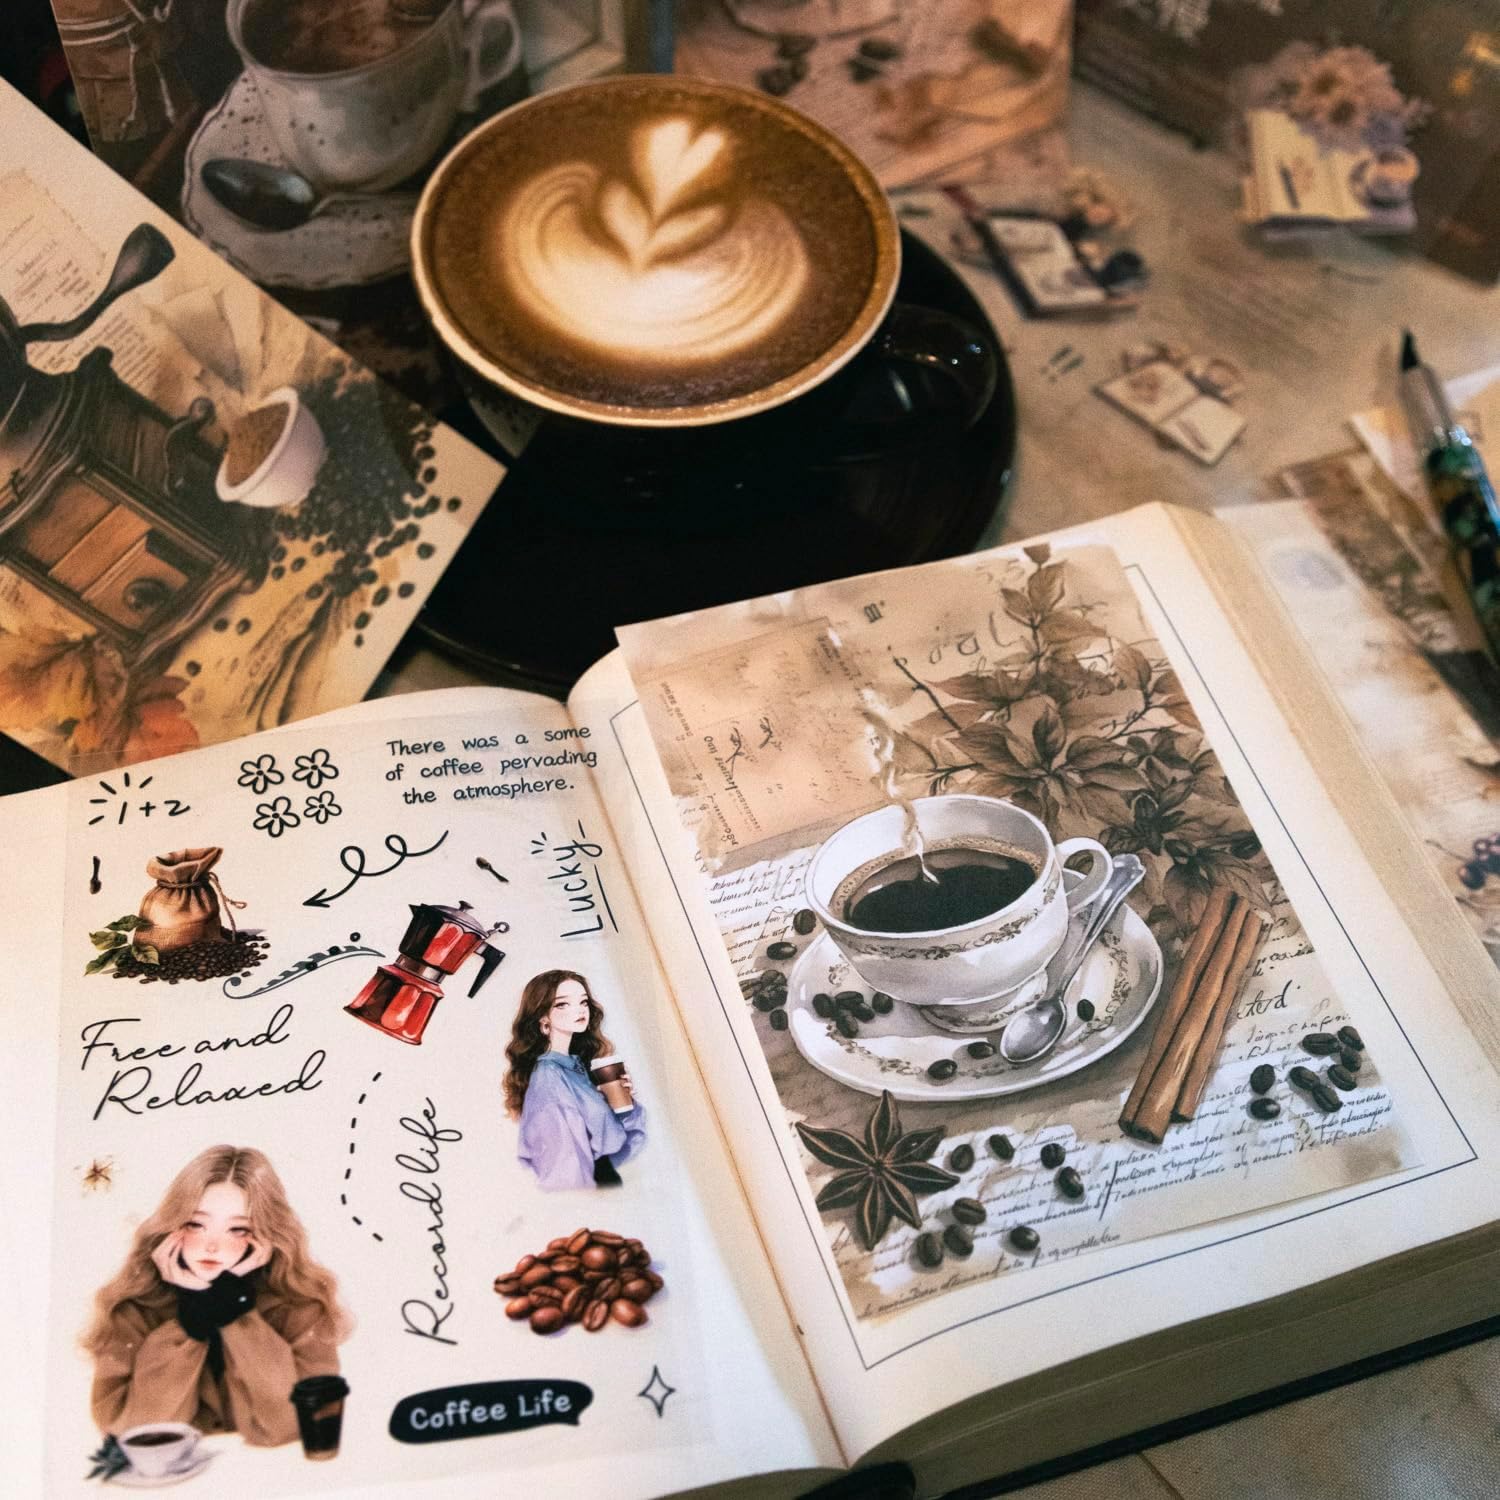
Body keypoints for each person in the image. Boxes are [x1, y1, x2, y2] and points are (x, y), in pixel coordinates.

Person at [83, 1145, 349, 1447]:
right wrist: (191, 1321)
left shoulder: (299, 1307)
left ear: (266, 1236)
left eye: (238, 1229)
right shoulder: (134, 1309)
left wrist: (234, 1310)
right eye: (196, 1224)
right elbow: (137, 1434)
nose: (213, 1246)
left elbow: (292, 1427)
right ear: (171, 1227)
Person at [503, 970, 646, 1190]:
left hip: (605, 1183)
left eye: (583, 1002)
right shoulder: (548, 1076)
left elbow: (620, 1146)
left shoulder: (579, 1065)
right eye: (563, 1004)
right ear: (543, 1018)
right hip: (587, 1191)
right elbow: (564, 1165)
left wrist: (625, 1106)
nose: (579, 1010)